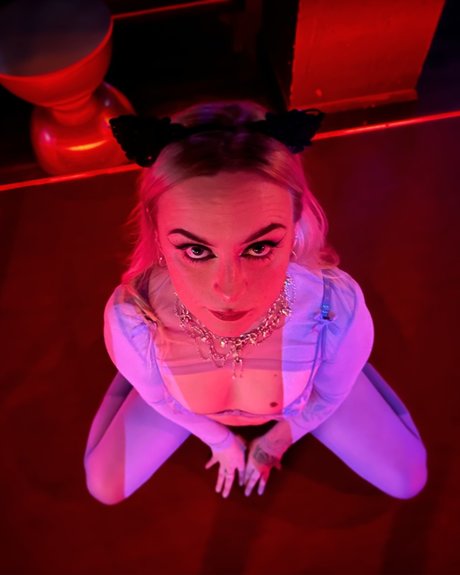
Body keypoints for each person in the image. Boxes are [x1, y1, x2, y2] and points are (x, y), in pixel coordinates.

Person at [84, 101, 427, 505]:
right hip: (184, 396)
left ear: (296, 226)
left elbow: (329, 398)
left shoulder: (333, 309)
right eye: (196, 250)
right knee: (103, 486)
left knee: (408, 479)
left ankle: (350, 363)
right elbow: (160, 400)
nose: (230, 292)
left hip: (301, 399)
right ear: (157, 234)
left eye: (259, 247)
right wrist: (220, 441)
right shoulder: (133, 319)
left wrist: (275, 442)